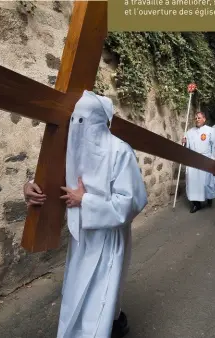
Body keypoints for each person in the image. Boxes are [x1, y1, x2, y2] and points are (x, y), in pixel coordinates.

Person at [23, 90, 148, 338]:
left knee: (102, 297)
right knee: (77, 293)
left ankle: (113, 325)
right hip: (81, 240)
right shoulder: (70, 147)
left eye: (85, 120)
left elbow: (133, 201)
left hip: (108, 239)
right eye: (75, 119)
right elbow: (50, 177)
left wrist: (86, 201)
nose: (78, 126)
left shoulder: (119, 151)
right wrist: (29, 188)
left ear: (101, 122)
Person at [182, 111, 215, 213]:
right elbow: (186, 148)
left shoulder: (210, 131)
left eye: (199, 118)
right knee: (193, 182)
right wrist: (184, 143)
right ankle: (196, 204)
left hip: (205, 159)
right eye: (196, 118)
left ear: (204, 119)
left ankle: (209, 197)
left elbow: (214, 146)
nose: (197, 119)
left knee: (206, 182)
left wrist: (213, 160)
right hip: (193, 160)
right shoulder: (189, 132)